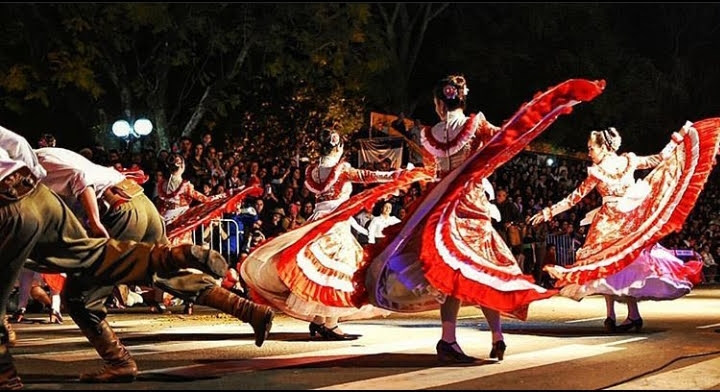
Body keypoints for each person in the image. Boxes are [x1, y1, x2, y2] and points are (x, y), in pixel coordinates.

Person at [0, 126, 273, 388]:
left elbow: (80, 179)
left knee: (80, 298)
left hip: (117, 213)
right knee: (165, 272)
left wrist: (94, 223)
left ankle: (119, 362)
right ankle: (248, 310)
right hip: (139, 205)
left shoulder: (43, 159)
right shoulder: (33, 159)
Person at [364, 76, 603, 363]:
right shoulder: (475, 125)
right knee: (484, 271)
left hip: (440, 209)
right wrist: (543, 111)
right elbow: (505, 138)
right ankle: (491, 337)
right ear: (463, 99)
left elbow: (432, 168)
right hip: (471, 207)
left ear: (440, 103)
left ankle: (457, 338)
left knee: (455, 274)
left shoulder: (430, 134)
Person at [242, 128, 429, 340]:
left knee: (320, 272)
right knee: (337, 273)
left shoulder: (313, 170)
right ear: (338, 147)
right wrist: (400, 175)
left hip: (316, 222)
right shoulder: (342, 169)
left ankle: (319, 320)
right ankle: (330, 323)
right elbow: (369, 176)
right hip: (334, 225)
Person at [529, 123, 716, 332]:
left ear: (604, 148)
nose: (589, 152)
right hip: (608, 224)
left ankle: (626, 315)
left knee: (624, 267)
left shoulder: (628, 160)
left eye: (592, 148)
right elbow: (575, 197)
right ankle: (617, 315)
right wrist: (548, 212)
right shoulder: (598, 171)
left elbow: (659, 159)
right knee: (608, 268)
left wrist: (679, 140)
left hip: (625, 221)